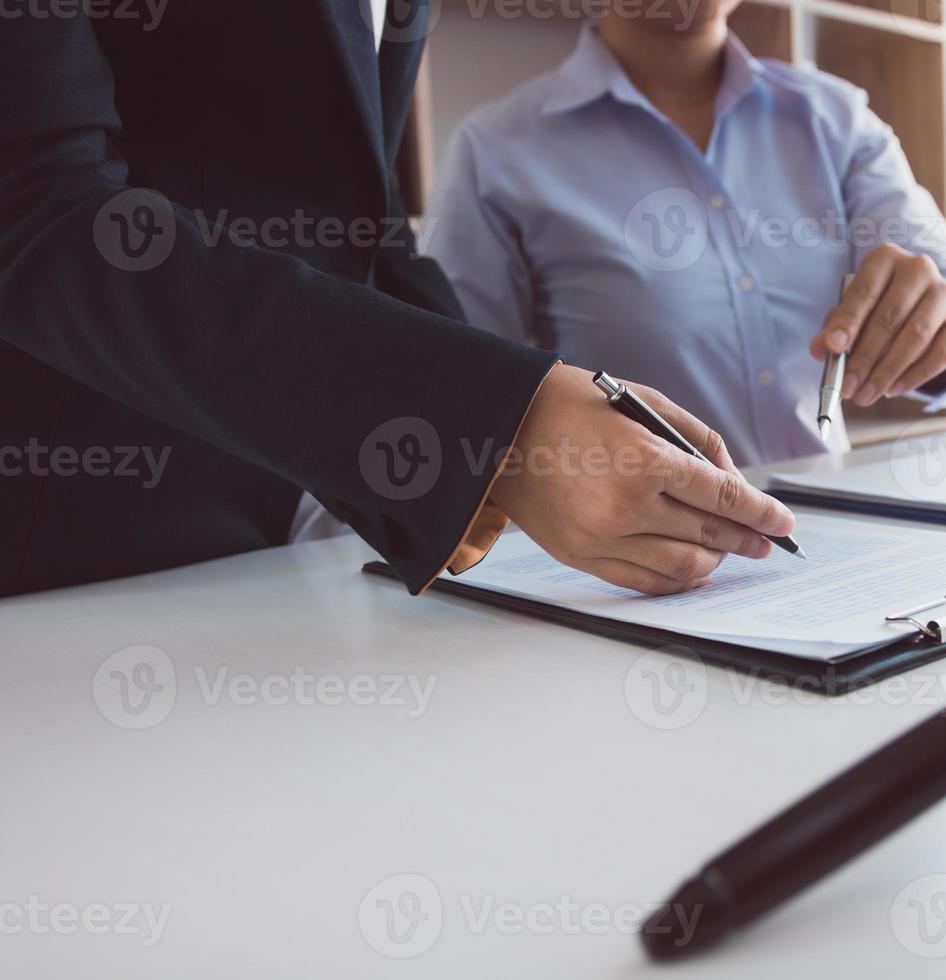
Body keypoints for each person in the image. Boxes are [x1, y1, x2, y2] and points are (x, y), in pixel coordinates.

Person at [0, 1, 794, 599]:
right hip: (70, 561)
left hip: (282, 556)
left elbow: (361, 222)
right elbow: (37, 206)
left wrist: (527, 407)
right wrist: (500, 425)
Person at [423, 1, 946, 466]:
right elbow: (460, 396)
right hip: (639, 569)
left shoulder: (837, 121)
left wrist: (931, 330)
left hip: (839, 536)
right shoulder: (496, 154)